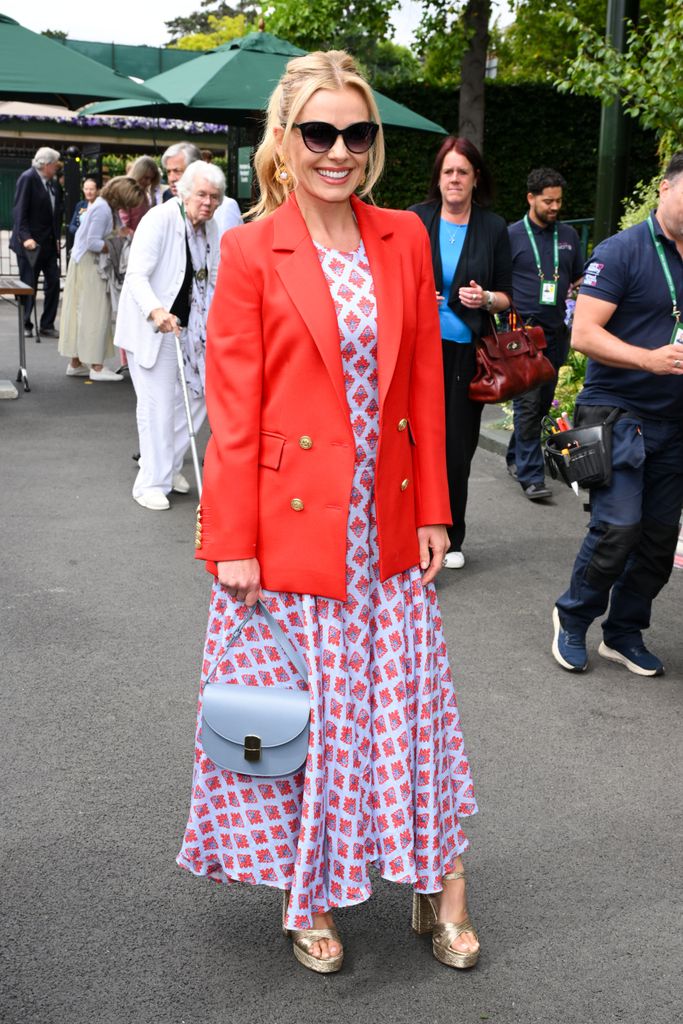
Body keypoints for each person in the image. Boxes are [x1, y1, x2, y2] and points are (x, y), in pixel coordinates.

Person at [177, 50, 479, 976]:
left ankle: (441, 884)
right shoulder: (248, 248)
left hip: (386, 529)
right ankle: (306, 897)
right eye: (319, 132)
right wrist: (229, 538)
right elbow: (234, 411)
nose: (337, 150)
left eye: (355, 132)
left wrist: (435, 509)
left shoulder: (401, 239)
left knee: (410, 713)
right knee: (315, 728)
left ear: (373, 144)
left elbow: (424, 387)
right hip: (290, 534)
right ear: (284, 141)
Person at [552, 152, 683, 678]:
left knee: (657, 539)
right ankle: (572, 616)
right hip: (618, 412)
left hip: (674, 423)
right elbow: (583, 333)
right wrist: (648, 359)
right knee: (617, 528)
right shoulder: (622, 250)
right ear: (664, 188)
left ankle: (624, 631)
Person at [409, 138, 512, 569]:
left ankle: (451, 536)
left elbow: (508, 297)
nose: (454, 179)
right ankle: (407, 529)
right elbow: (388, 279)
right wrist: (414, 293)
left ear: (475, 179)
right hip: (417, 350)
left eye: (462, 172)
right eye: (448, 171)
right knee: (411, 441)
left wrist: (485, 297)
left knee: (456, 447)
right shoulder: (416, 219)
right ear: (438, 177)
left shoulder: (493, 227)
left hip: (466, 355)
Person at [115, 161, 228, 510]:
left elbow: (211, 280)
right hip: (155, 330)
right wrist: (156, 310)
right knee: (158, 408)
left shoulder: (210, 228)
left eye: (214, 197)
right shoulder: (160, 219)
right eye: (202, 195)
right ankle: (150, 482)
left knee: (199, 400)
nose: (208, 203)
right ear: (183, 191)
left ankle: (168, 465)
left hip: (191, 331)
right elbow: (136, 276)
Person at [506, 169, 584, 500]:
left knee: (539, 406)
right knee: (527, 404)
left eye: (558, 201)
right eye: (548, 201)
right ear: (531, 198)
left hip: (555, 333)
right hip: (524, 334)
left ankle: (515, 456)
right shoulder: (511, 236)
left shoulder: (568, 235)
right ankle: (531, 475)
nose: (554, 207)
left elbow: (578, 278)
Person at [58, 176, 144, 382]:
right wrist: (116, 246)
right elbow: (92, 242)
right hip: (92, 265)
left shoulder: (101, 206)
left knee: (82, 313)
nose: (127, 207)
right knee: (96, 314)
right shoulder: (103, 209)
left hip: (83, 264)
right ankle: (96, 367)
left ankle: (76, 362)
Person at [10, 146, 64, 338]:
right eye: (55, 164)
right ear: (46, 164)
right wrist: (26, 238)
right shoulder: (28, 178)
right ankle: (26, 323)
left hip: (48, 243)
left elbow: (56, 213)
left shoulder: (53, 184)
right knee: (28, 284)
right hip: (30, 244)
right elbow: (19, 211)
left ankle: (47, 324)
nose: (57, 167)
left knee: (53, 282)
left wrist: (57, 237)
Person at [162, 141, 242, 234]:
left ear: (194, 168)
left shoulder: (226, 206)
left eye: (177, 171)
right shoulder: (163, 213)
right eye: (168, 172)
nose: (171, 178)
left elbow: (225, 245)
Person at [119, 155, 163, 233]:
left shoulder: (142, 192)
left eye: (151, 179)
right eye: (146, 178)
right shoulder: (126, 192)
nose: (149, 182)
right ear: (138, 174)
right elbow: (122, 227)